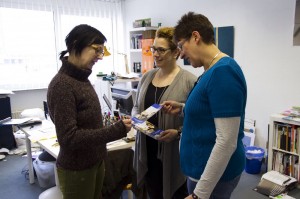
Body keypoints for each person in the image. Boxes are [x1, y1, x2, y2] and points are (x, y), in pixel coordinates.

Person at [161, 12, 247, 199]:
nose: (181, 53)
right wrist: (183, 108)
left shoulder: (223, 72)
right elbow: (210, 111)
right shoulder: (211, 70)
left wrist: (199, 194)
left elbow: (226, 141)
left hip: (214, 180)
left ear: (196, 36)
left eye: (181, 46)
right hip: (201, 172)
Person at [47, 24, 132, 199]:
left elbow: (88, 123)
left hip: (95, 162)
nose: (100, 57)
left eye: (102, 51)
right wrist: (115, 131)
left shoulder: (82, 78)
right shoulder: (62, 85)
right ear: (77, 44)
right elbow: (69, 137)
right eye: (97, 50)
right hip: (77, 169)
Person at [132, 27, 197, 199]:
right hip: (147, 152)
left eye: (161, 50)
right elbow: (136, 107)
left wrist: (178, 133)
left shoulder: (189, 81)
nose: (155, 54)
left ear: (176, 52)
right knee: (153, 192)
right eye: (154, 49)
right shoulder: (147, 77)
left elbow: (197, 119)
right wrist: (136, 120)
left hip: (173, 155)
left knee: (176, 193)